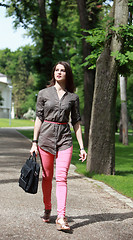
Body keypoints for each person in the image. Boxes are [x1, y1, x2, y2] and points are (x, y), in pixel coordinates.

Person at [30, 61, 87, 231]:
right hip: (45, 140)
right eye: (57, 70)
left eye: (63, 70)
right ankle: (48, 207)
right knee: (47, 177)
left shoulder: (73, 97)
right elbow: (39, 118)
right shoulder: (43, 93)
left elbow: (76, 122)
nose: (59, 72)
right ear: (53, 73)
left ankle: (61, 217)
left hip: (65, 140)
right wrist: (34, 142)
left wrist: (82, 147)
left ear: (67, 74)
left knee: (62, 178)